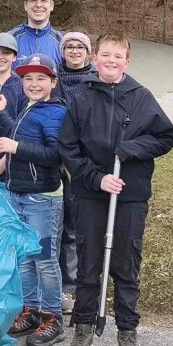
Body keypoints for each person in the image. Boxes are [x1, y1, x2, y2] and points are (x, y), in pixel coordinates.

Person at [58, 33, 173, 346]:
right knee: (89, 262)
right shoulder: (82, 99)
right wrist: (97, 178)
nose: (111, 61)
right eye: (105, 55)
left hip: (130, 195)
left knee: (126, 265)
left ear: (127, 61)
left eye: (118, 56)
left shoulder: (141, 97)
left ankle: (127, 333)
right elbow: (68, 147)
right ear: (95, 58)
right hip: (90, 194)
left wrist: (130, 149)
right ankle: (83, 328)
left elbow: (165, 137)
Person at [0, 53, 68, 346]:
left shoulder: (56, 113)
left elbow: (54, 155)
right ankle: (31, 311)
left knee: (44, 260)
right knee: (23, 258)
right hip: (18, 193)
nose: (34, 83)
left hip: (42, 199)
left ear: (53, 82)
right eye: (28, 78)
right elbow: (17, 136)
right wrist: (2, 115)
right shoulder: (28, 107)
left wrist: (16, 148)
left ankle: (53, 317)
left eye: (41, 78)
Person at [55, 31, 100, 314]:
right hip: (54, 162)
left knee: (74, 228)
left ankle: (71, 286)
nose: (74, 50)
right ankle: (49, 283)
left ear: (88, 52)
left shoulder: (96, 80)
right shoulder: (53, 79)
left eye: (79, 47)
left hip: (82, 165)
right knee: (53, 228)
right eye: (69, 46)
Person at [9, 0, 62, 64]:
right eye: (33, 0)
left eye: (43, 0)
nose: (38, 5)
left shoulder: (62, 43)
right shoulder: (10, 39)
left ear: (51, 5)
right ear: (25, 5)